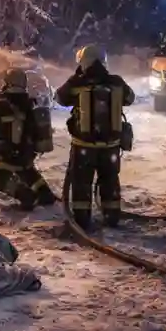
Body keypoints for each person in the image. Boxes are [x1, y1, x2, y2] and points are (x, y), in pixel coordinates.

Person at [55, 45, 135, 228]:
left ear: (83, 61)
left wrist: (76, 78)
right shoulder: (116, 82)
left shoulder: (77, 83)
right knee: (110, 180)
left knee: (81, 182)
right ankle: (112, 215)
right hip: (110, 146)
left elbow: (59, 98)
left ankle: (82, 220)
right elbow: (130, 98)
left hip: (84, 145)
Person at [0, 68, 57, 210]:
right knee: (28, 173)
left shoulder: (1, 106)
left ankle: (25, 195)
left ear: (7, 84)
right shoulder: (29, 104)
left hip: (6, 157)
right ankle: (45, 194)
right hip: (25, 157)